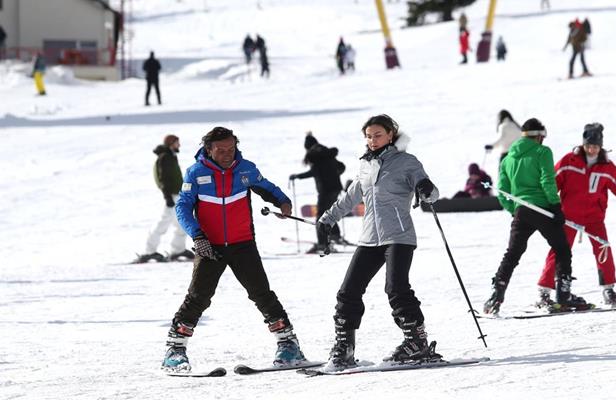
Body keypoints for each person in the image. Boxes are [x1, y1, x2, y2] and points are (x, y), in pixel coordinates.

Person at [162, 127, 307, 371]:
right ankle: (175, 351)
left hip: (243, 244)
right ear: (209, 150)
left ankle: (289, 346)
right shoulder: (195, 173)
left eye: (231, 149)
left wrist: (282, 202)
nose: (228, 154)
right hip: (210, 246)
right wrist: (198, 237)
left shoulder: (245, 168)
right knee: (198, 298)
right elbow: (183, 208)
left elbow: (266, 187)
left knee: (262, 294)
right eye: (221, 150)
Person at [317, 114, 440, 368]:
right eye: (369, 136)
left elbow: (428, 189)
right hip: (369, 238)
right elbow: (350, 198)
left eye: (378, 135)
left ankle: (416, 343)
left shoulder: (407, 162)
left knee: (396, 289)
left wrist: (427, 189)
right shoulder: (364, 165)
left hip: (399, 236)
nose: (373, 141)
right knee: (348, 292)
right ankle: (345, 347)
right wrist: (327, 220)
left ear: (391, 135)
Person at [483, 118, 589, 315]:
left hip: (521, 211)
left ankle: (496, 294)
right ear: (539, 136)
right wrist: (556, 206)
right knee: (562, 249)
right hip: (542, 208)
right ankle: (563, 295)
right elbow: (547, 180)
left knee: (513, 253)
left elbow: (503, 191)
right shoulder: (542, 152)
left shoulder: (507, 159)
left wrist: (514, 210)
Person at [536, 123, 616, 308]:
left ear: (600, 146)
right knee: (559, 250)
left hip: (594, 218)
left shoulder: (606, 166)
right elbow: (551, 182)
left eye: (595, 146)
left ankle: (608, 288)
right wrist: (547, 204)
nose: (591, 149)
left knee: (603, 248)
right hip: (569, 216)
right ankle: (544, 291)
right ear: (583, 144)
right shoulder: (569, 161)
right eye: (588, 145)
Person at [135, 135, 194, 263]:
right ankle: (149, 251)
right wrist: (167, 197)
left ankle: (177, 250)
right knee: (162, 224)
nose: (179, 145)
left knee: (180, 223)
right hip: (172, 196)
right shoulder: (165, 157)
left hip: (176, 195)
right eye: (177, 142)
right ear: (171, 143)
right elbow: (163, 179)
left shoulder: (170, 155)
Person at [289, 132, 346, 253]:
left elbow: (312, 172)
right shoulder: (327, 153)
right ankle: (335, 236)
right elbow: (341, 166)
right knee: (330, 213)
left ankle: (322, 243)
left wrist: (297, 176)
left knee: (321, 216)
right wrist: (335, 175)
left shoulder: (314, 156)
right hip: (336, 188)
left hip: (325, 190)